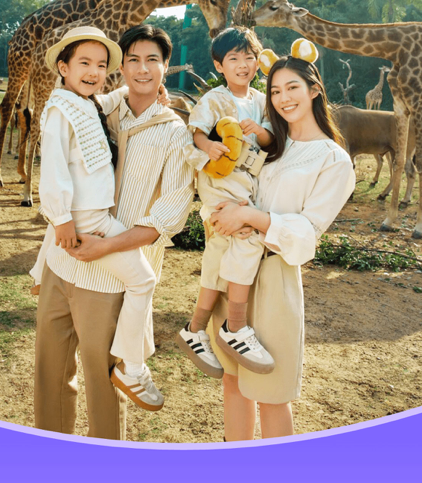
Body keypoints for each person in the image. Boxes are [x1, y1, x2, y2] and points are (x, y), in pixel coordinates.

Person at [34, 23, 194, 440]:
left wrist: (106, 246)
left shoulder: (175, 133)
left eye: (153, 61)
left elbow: (169, 215)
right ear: (121, 68)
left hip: (107, 274)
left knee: (103, 385)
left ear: (166, 67)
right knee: (49, 375)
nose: (142, 70)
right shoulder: (100, 107)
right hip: (62, 257)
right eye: (133, 60)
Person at [207, 38, 356, 442]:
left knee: (271, 393)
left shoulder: (333, 159)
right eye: (275, 90)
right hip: (237, 272)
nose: (283, 97)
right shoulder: (274, 147)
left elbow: (307, 236)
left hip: (275, 279)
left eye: (292, 87)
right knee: (234, 383)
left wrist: (250, 216)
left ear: (314, 90)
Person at [177, 26, 275, 377]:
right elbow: (197, 130)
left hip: (244, 186)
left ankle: (194, 329)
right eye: (234, 58)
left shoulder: (262, 101)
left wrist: (260, 131)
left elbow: (270, 138)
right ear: (220, 65)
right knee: (247, 238)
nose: (243, 64)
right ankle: (235, 326)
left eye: (249, 57)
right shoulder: (214, 99)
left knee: (218, 256)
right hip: (221, 184)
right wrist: (208, 146)